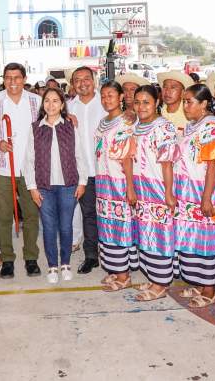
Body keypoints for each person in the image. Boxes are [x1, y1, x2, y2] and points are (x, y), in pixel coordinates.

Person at [0, 63, 42, 279]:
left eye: (17, 77)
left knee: (32, 215)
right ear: (3, 80)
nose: (13, 82)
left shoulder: (36, 101)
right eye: (8, 78)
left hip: (30, 169)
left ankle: (31, 258)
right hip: (3, 167)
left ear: (24, 79)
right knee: (4, 216)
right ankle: (7, 258)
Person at [24, 87, 88, 284]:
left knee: (66, 227)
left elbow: (79, 155)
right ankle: (52, 265)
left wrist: (83, 182)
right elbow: (29, 160)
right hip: (44, 187)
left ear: (62, 105)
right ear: (43, 105)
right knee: (49, 227)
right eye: (47, 101)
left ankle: (65, 263)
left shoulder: (70, 127)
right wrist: (32, 187)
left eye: (55, 101)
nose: (50, 105)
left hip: (69, 184)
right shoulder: (35, 128)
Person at [173, 84, 215, 308]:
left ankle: (209, 289)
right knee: (190, 239)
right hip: (186, 190)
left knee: (205, 240)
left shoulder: (212, 126)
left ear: (204, 104)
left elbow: (212, 165)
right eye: (184, 101)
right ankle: (198, 283)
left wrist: (207, 197)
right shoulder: (194, 126)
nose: (185, 106)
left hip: (202, 189)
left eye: (189, 102)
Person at [126, 85, 178, 302]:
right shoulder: (134, 126)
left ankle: (161, 283)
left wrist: (168, 193)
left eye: (146, 102)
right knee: (145, 235)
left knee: (160, 236)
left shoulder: (164, 126)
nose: (141, 106)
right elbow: (127, 158)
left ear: (157, 102)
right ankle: (154, 277)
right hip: (140, 189)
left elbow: (167, 163)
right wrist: (130, 187)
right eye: (137, 102)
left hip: (157, 189)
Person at [93, 82, 138, 292]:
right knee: (107, 226)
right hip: (103, 181)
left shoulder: (126, 122)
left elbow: (128, 157)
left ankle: (123, 274)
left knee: (120, 226)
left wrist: (130, 186)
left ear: (121, 97)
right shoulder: (103, 121)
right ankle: (113, 268)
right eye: (103, 95)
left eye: (111, 95)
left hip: (119, 180)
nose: (106, 99)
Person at [67, 67, 107, 275]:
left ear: (94, 81)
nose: (82, 83)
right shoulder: (68, 107)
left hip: (107, 170)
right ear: (72, 84)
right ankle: (91, 256)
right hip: (83, 172)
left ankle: (114, 253)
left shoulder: (105, 102)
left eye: (86, 79)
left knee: (110, 214)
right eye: (77, 80)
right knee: (89, 214)